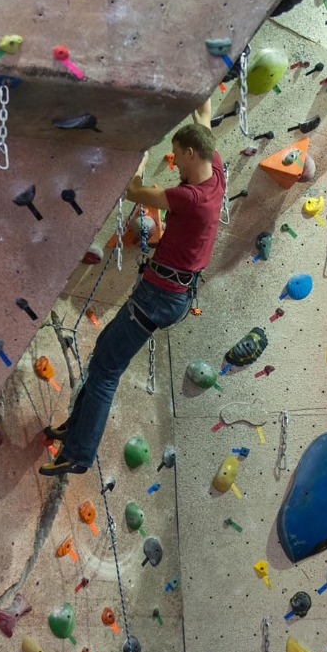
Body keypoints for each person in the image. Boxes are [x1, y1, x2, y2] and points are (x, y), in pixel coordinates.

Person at [39, 99, 222, 476]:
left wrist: (139, 160)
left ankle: (79, 454)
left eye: (176, 157)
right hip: (171, 293)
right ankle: (76, 427)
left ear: (191, 153)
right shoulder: (214, 171)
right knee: (105, 355)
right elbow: (204, 117)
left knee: (106, 368)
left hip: (160, 297)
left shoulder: (190, 198)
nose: (174, 163)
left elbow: (135, 193)